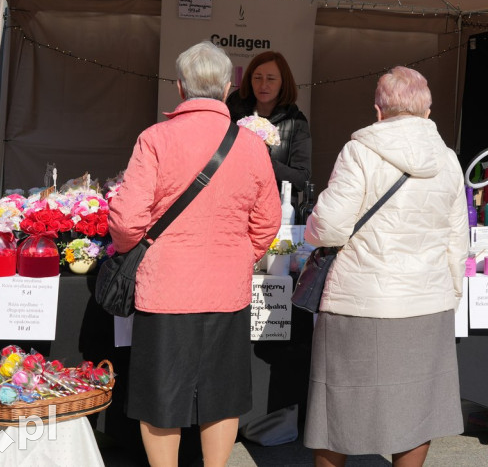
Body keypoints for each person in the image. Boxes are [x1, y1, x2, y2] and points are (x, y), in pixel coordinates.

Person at [108, 41, 281, 467]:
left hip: (165, 288)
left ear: (181, 88)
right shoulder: (252, 145)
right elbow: (268, 223)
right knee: (222, 395)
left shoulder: (155, 139)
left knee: (159, 396)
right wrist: (241, 257)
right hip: (228, 288)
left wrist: (143, 252)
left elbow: (127, 222)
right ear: (227, 90)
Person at [303, 66, 468, 467]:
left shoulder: (359, 151)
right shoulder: (447, 160)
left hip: (359, 300)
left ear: (378, 111)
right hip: (427, 301)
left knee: (335, 410)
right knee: (417, 412)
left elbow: (328, 226)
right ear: (427, 112)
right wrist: (450, 292)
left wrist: (309, 228)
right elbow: (457, 241)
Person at [226, 50, 311, 196]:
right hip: (233, 200)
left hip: (275, 208)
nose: (263, 85)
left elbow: (301, 180)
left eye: (271, 79)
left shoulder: (296, 122)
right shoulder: (233, 111)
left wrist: (265, 160)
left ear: (283, 83)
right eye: (257, 78)